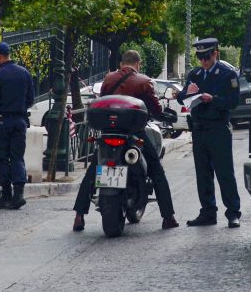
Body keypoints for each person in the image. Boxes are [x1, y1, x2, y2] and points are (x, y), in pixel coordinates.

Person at [72, 50, 178, 232]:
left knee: (93, 171)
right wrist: (163, 114)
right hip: (133, 132)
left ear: (122, 64)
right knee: (156, 169)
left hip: (108, 133)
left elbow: (104, 98)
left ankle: (79, 216)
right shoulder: (144, 82)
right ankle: (168, 217)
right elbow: (155, 107)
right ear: (138, 64)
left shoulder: (108, 79)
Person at [177, 38, 242, 228]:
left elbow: (233, 102)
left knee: (224, 173)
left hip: (218, 128)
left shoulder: (226, 74)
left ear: (215, 54)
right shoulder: (195, 74)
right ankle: (208, 212)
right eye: (200, 58)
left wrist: (212, 99)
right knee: (203, 173)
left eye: (207, 57)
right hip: (199, 128)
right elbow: (182, 98)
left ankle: (233, 213)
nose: (203, 62)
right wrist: (186, 94)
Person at [0, 42, 35, 210]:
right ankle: (18, 194)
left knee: (1, 158)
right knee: (18, 157)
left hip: (1, 122)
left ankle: (6, 194)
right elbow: (30, 99)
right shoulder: (25, 73)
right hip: (19, 121)